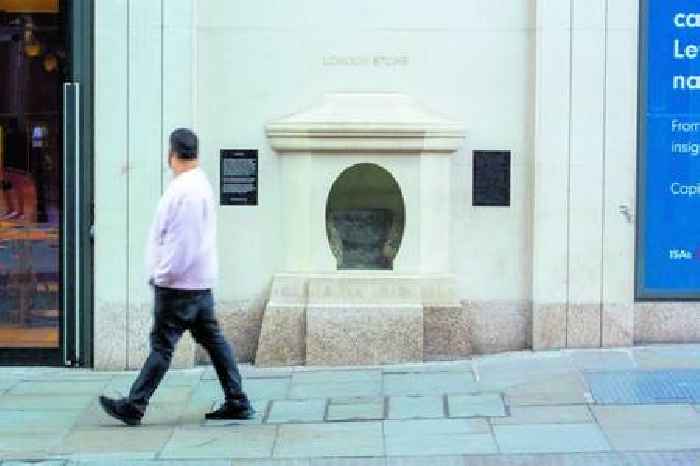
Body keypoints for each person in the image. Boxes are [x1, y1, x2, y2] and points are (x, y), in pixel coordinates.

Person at [99, 128, 254, 426]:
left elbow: (184, 242)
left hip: (179, 286)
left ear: (172, 154)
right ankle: (237, 400)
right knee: (214, 341)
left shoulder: (187, 190)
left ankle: (134, 405)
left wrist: (163, 275)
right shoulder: (196, 184)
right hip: (196, 283)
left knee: (163, 346)